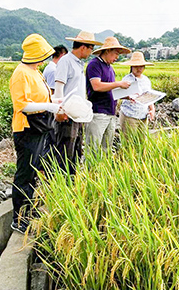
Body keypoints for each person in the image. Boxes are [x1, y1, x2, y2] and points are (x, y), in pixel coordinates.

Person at [9, 33, 64, 234]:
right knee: (25, 174)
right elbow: (22, 105)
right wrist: (49, 106)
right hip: (27, 129)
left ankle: (28, 213)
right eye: (43, 54)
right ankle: (18, 218)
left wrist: (55, 103)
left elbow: (42, 97)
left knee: (33, 173)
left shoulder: (35, 71)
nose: (45, 58)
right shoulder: (21, 74)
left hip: (39, 127)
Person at [52, 31, 102, 173]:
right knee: (65, 151)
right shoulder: (65, 61)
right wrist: (60, 111)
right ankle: (62, 183)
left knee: (76, 150)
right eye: (91, 48)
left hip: (77, 114)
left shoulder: (79, 63)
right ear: (83, 47)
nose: (91, 52)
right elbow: (59, 88)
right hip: (67, 115)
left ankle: (72, 182)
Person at [85, 36, 131, 153]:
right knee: (93, 149)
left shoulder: (110, 68)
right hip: (98, 113)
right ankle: (90, 171)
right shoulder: (94, 64)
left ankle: (102, 171)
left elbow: (110, 89)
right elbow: (97, 86)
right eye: (116, 53)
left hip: (110, 112)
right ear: (107, 51)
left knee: (107, 148)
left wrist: (125, 96)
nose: (117, 57)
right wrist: (118, 83)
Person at [119, 51, 156, 137]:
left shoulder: (146, 80)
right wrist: (129, 97)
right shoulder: (126, 79)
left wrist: (152, 109)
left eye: (141, 66)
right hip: (129, 115)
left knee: (142, 144)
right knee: (129, 144)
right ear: (131, 67)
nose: (139, 69)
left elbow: (149, 96)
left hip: (143, 115)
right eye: (136, 66)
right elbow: (119, 95)